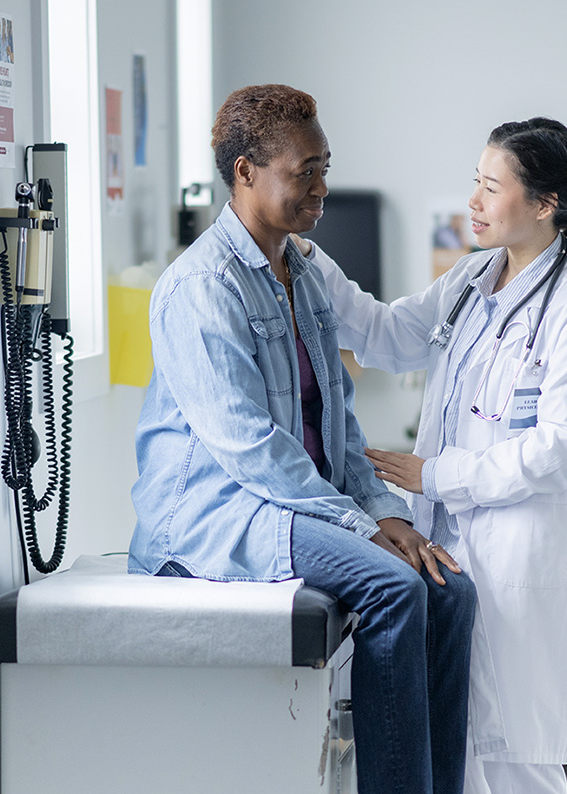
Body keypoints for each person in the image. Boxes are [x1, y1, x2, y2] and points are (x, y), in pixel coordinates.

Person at [127, 84, 476, 794]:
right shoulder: (200, 287)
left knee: (450, 591)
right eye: (303, 172)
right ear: (246, 171)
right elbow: (249, 446)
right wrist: (363, 529)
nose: (321, 188)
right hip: (215, 515)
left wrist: (385, 513)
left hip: (289, 507)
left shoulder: (305, 273)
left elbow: (339, 419)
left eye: (325, 167)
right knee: (392, 588)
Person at [298, 117, 567, 794]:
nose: (472, 202)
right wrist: (303, 257)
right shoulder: (474, 278)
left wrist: (438, 476)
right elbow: (385, 335)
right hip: (452, 548)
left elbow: (562, 451)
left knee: (515, 758)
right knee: (463, 748)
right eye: (474, 183)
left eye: (490, 187)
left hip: (520, 559)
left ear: (542, 204)